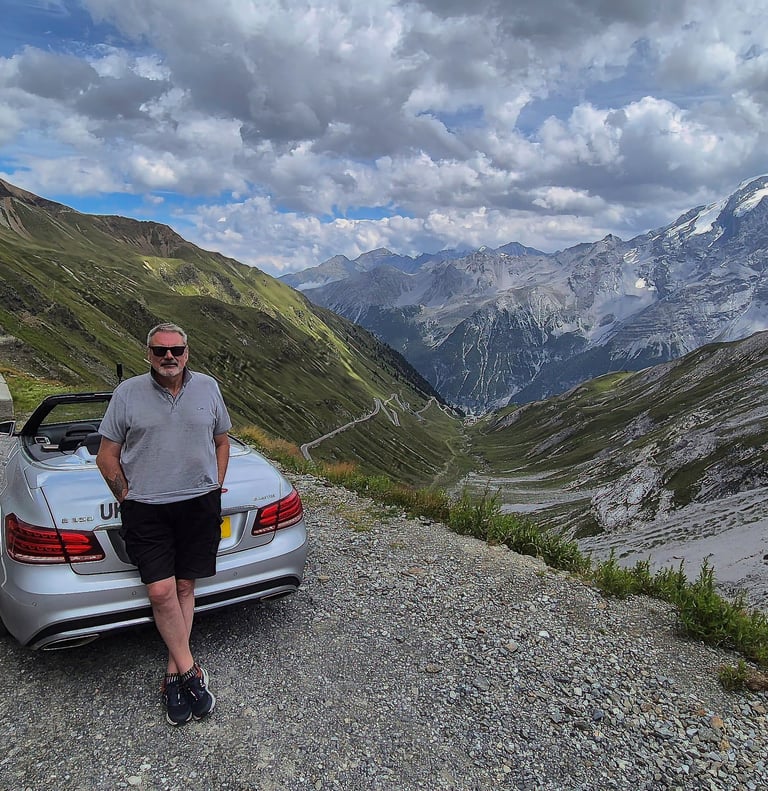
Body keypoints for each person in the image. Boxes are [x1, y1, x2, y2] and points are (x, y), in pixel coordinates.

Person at [96, 322, 232, 726]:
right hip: (147, 509)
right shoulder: (127, 394)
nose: (168, 357)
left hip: (198, 505)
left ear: (187, 352)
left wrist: (216, 484)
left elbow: (222, 440)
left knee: (186, 585)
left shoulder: (208, 387)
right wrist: (128, 499)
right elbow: (107, 456)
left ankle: (172, 675)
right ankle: (191, 670)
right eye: (160, 351)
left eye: (176, 350)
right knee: (160, 590)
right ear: (148, 354)